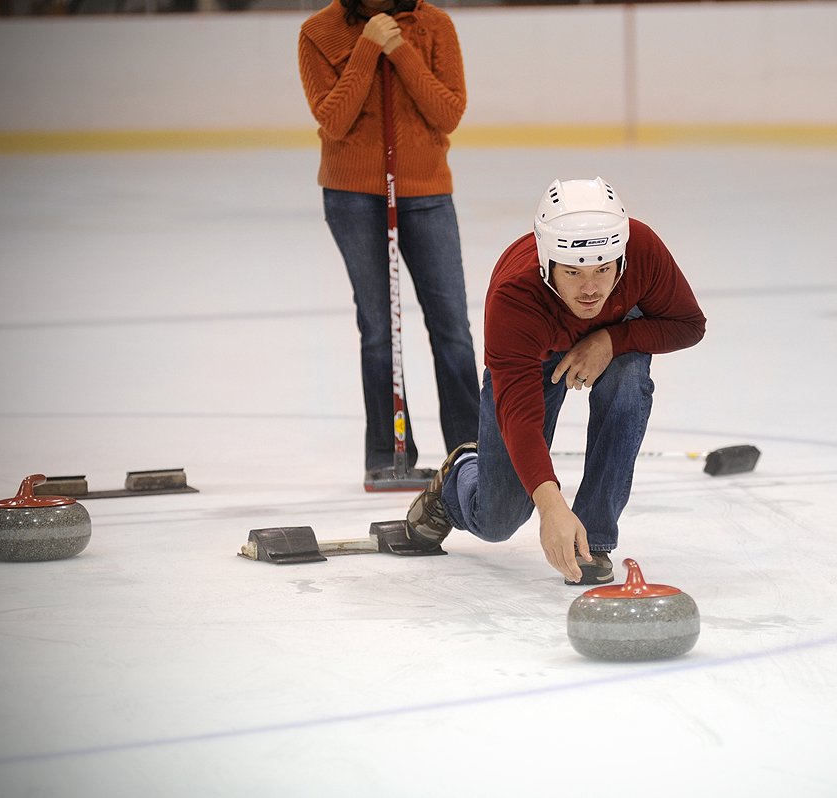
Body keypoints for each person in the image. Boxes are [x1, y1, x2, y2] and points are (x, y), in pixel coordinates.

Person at [398, 177, 707, 584]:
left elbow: (689, 325)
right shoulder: (514, 297)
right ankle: (461, 473)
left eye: (603, 269)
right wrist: (551, 506)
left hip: (611, 342)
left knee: (628, 377)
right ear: (547, 264)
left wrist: (612, 339)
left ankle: (593, 539)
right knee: (497, 522)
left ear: (622, 259)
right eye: (574, 273)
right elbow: (519, 415)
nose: (591, 289)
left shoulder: (643, 249)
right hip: (534, 355)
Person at [298, 0, 480, 489]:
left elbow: (448, 112)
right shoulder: (319, 32)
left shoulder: (435, 25)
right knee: (378, 328)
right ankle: (386, 451)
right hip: (353, 196)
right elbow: (334, 120)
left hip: (425, 193)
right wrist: (366, 50)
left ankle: (472, 449)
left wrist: (399, 51)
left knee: (452, 327)